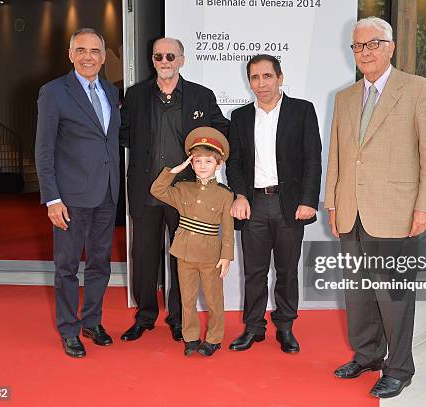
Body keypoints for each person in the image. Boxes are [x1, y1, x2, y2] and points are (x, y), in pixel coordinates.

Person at [324, 16, 426, 398]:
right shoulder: (343, 97)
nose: (365, 52)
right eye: (358, 46)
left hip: (396, 210)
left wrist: (425, 205)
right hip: (349, 210)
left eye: (372, 44)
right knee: (357, 292)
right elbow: (338, 158)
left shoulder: (418, 90)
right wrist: (331, 203)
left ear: (390, 46)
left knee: (392, 294)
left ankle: (399, 367)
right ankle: (368, 354)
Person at [119, 37, 229, 343]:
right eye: (158, 56)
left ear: (181, 59)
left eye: (170, 55)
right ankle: (144, 317)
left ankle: (180, 319)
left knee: (183, 259)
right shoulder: (136, 95)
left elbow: (221, 130)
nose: (164, 61)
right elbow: (124, 134)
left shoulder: (201, 96)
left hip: (186, 196)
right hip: (146, 190)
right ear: (152, 60)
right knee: (143, 257)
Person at [226, 54, 322, 354]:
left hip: (289, 205)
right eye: (255, 77)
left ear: (279, 77)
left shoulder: (302, 111)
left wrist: (308, 200)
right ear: (249, 81)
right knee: (253, 272)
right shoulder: (240, 117)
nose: (261, 83)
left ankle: (285, 327)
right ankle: (253, 328)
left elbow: (313, 159)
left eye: (267, 76)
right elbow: (235, 164)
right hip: (253, 204)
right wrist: (240, 195)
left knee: (287, 270)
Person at [35, 28, 121, 358]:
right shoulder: (54, 92)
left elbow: (106, 139)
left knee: (100, 264)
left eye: (95, 51)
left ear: (103, 55)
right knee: (67, 266)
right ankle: (69, 329)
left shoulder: (111, 93)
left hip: (106, 192)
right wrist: (52, 198)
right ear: (70, 55)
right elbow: (44, 149)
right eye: (81, 50)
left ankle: (92, 321)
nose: (89, 56)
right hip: (69, 198)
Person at [150, 127, 234, 357]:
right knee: (187, 300)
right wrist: (174, 170)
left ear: (219, 164)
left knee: (214, 300)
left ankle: (214, 338)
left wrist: (226, 256)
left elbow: (228, 229)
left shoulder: (225, 195)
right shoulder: (182, 188)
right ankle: (191, 337)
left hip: (210, 257)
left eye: (209, 161)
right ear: (191, 163)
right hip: (184, 253)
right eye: (198, 161)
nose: (203, 166)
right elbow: (157, 190)